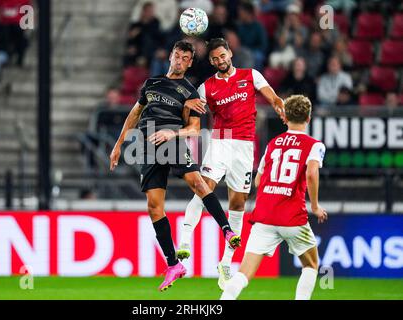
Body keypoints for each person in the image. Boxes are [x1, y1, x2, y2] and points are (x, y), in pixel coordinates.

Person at [109, 40, 241, 292]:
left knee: (197, 183)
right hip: (147, 144)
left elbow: (194, 128)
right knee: (154, 207)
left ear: (190, 62)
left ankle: (226, 230)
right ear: (170, 56)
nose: (179, 61)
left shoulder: (190, 93)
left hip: (170, 140)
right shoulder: (151, 83)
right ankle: (173, 264)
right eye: (176, 56)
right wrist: (118, 144)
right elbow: (135, 114)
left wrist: (172, 133)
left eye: (184, 58)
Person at [177, 37, 285, 290]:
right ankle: (184, 242)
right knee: (205, 188)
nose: (219, 61)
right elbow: (191, 113)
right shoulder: (207, 87)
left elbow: (273, 97)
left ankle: (225, 262)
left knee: (238, 203)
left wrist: (280, 105)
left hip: (246, 146)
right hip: (221, 141)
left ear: (230, 54)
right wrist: (185, 109)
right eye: (214, 59)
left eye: (222, 56)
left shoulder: (251, 75)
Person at [220, 94, 328, 300]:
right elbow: (312, 173)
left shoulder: (273, 143)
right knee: (311, 265)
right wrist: (314, 205)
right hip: (292, 216)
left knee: (244, 272)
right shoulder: (315, 145)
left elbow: (259, 181)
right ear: (309, 118)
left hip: (264, 216)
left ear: (285, 118)